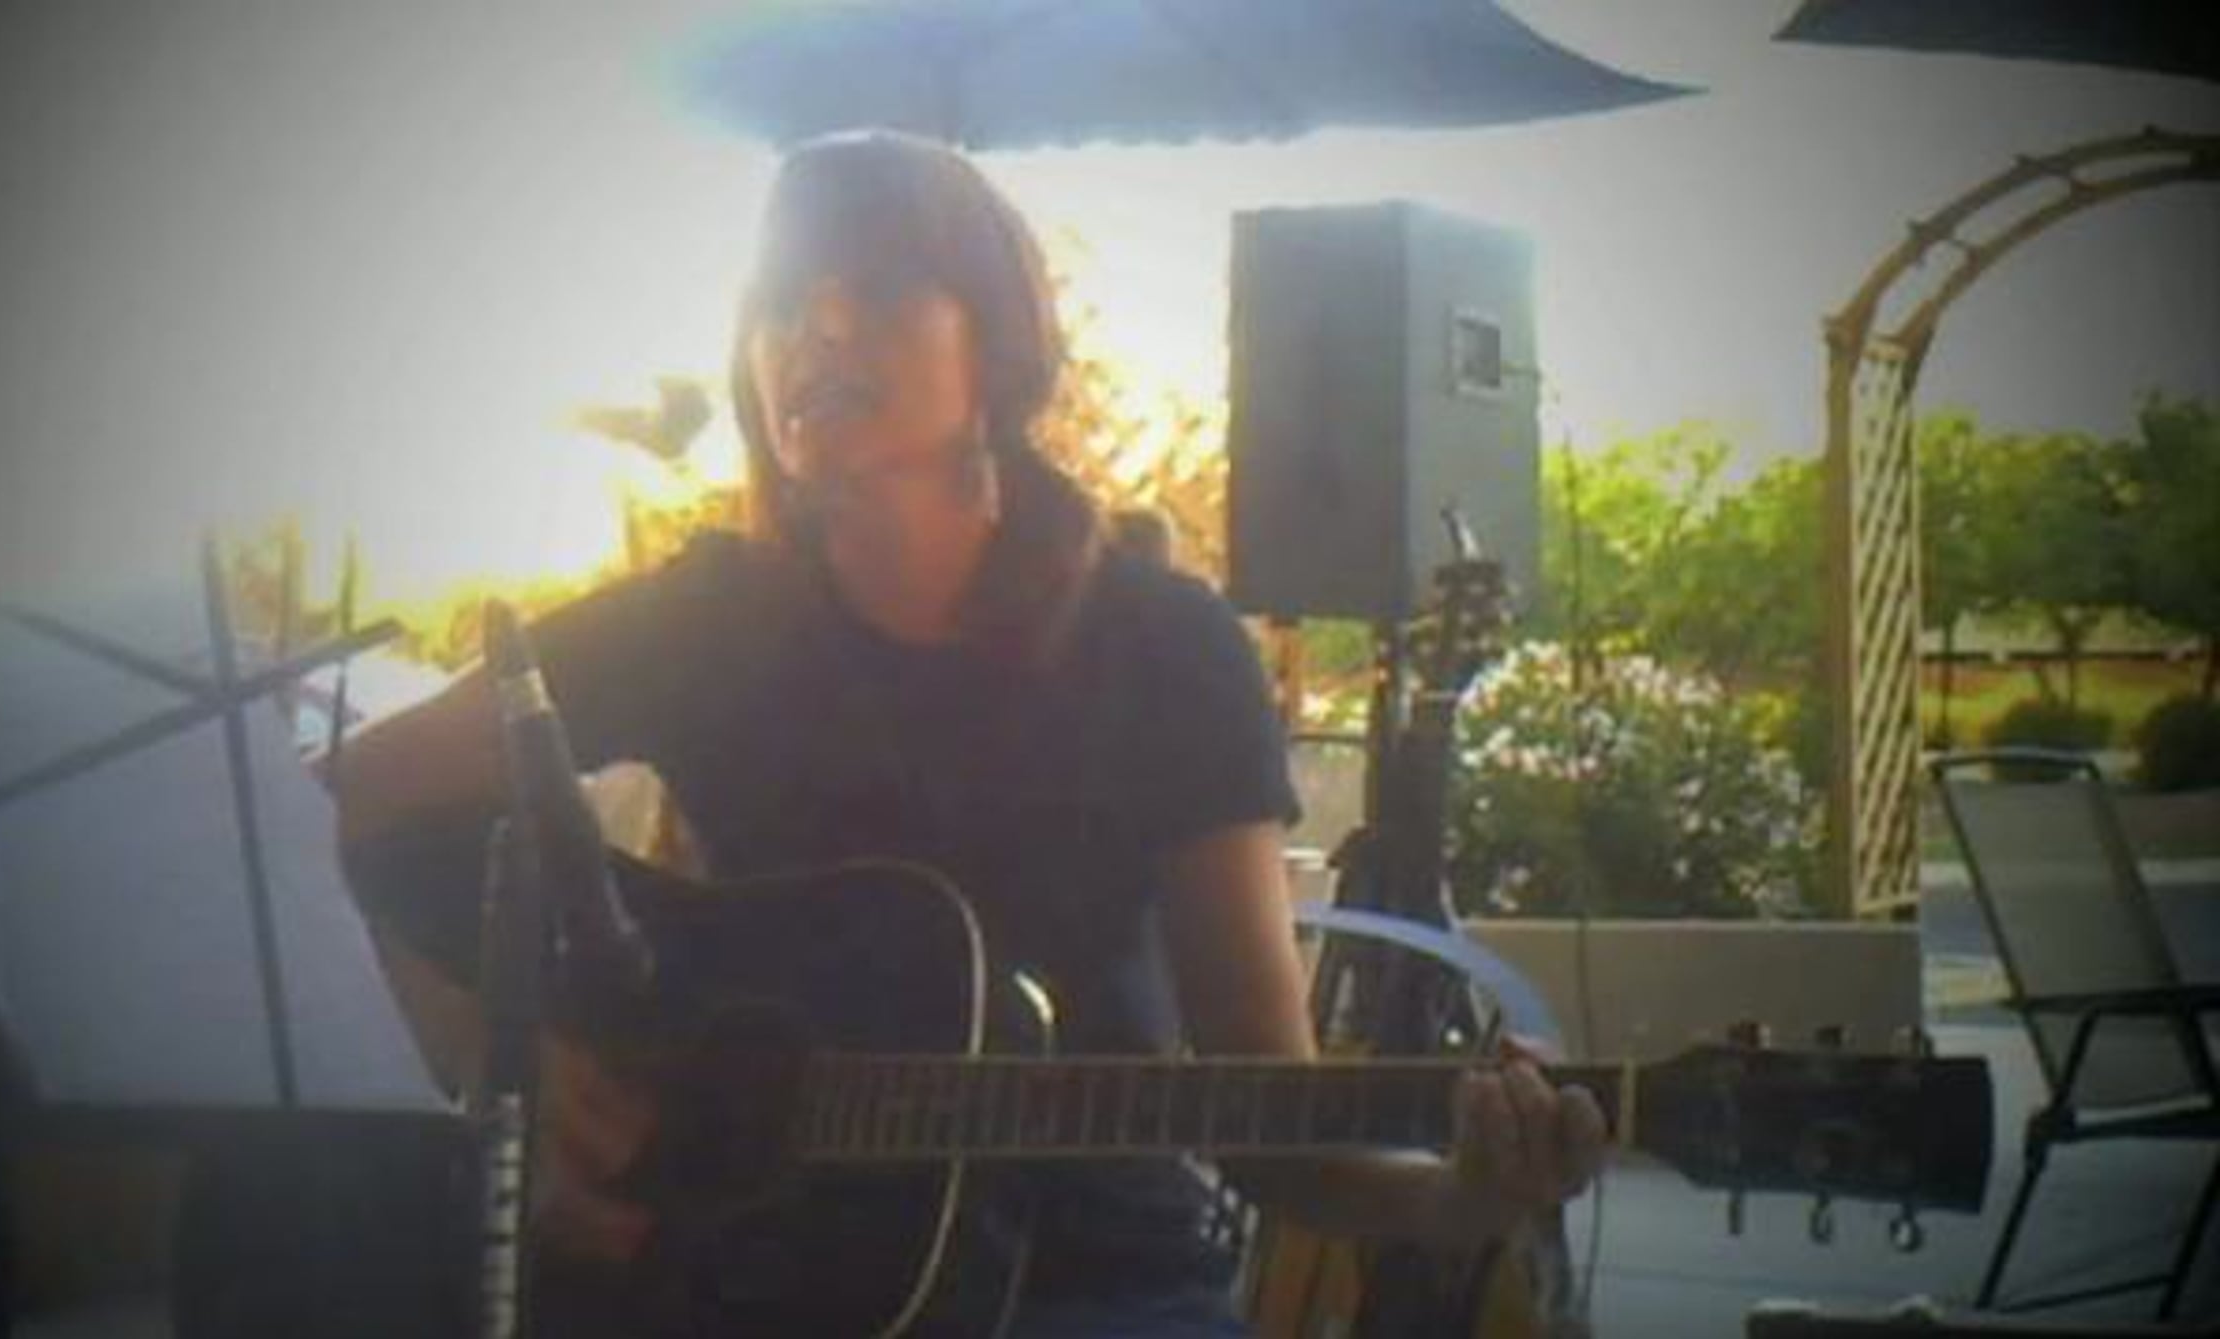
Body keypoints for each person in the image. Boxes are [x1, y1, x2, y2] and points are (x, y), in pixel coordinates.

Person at [329, 129, 1603, 1338]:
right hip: (725, 1281)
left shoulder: (1165, 646)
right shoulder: (701, 619)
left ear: (996, 342)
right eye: (781, 301)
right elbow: (357, 793)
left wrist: (1463, 1196)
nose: (819, 326)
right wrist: (506, 1068)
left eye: (876, 284)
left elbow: (1281, 1136)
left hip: (1097, 1291)